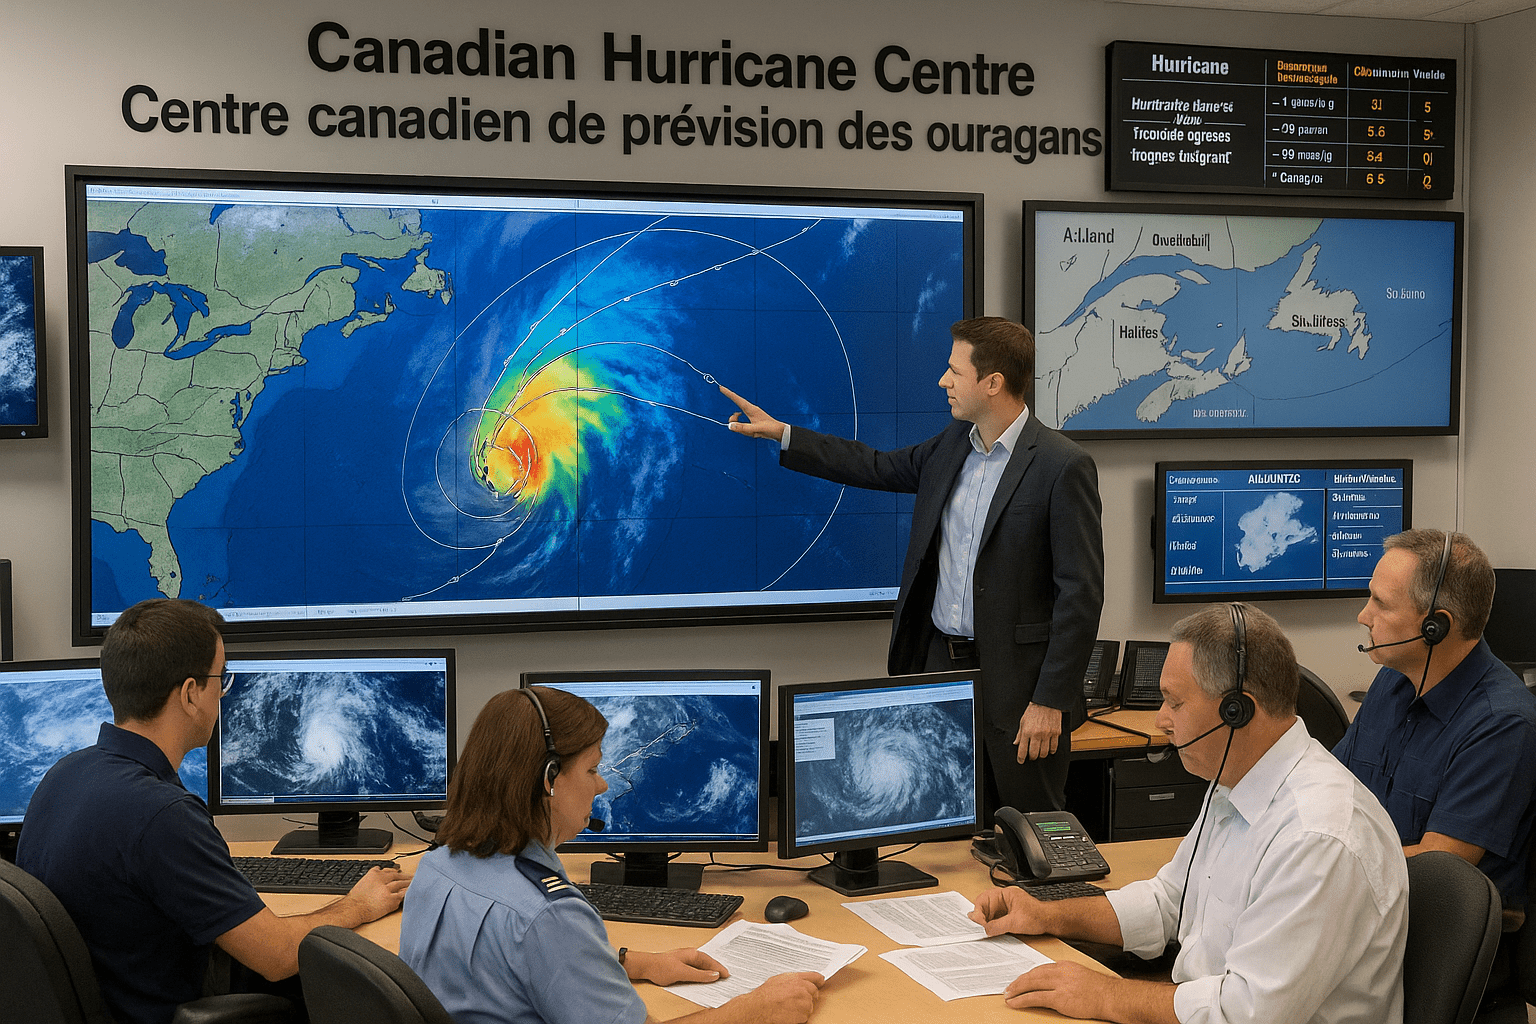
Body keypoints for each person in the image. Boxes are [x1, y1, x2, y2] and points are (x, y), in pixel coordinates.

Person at [720, 316, 1104, 821]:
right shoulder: (951, 446)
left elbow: (1081, 595)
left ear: (993, 384)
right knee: (940, 824)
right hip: (939, 670)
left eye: (954, 371)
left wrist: (1050, 701)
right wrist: (784, 435)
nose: (942, 381)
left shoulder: (1061, 464)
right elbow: (873, 465)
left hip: (1021, 689)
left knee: (1029, 834)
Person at [968, 603, 1409, 1024]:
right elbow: (1168, 904)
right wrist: (1046, 913)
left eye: (1174, 703)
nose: (1161, 720)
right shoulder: (1236, 782)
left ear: (1237, 712)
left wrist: (1104, 993)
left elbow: (1248, 1012)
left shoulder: (1318, 837)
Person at [17, 598, 407, 1024]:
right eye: (221, 679)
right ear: (189, 694)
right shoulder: (162, 815)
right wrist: (359, 906)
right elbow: (276, 955)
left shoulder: (65, 774)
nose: (223, 693)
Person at [398, 686, 824, 1024]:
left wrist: (627, 962)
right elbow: (539, 937)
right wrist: (753, 1013)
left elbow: (506, 966)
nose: (601, 786)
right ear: (550, 779)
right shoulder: (549, 916)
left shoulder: (437, 865)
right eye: (592, 769)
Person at [1335, 528, 1536, 918]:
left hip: (1426, 933)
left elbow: (1436, 867)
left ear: (1435, 626)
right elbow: (1332, 786)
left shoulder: (1502, 725)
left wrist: (1314, 868)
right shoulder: (1394, 678)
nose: (1364, 616)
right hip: (1361, 907)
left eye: (1381, 603)